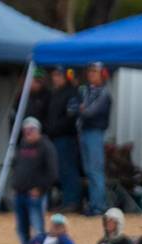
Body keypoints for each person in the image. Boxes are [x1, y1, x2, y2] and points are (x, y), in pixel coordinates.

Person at [9, 118, 58, 244]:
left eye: (31, 130)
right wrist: (14, 185)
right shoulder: (22, 145)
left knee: (38, 228)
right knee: (21, 228)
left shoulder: (46, 146)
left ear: (38, 130)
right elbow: (15, 166)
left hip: (35, 195)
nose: (28, 133)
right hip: (20, 193)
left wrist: (40, 189)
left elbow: (52, 172)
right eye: (25, 130)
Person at [72, 62, 112, 216]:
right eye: (90, 72)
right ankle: (93, 203)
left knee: (95, 170)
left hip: (95, 132)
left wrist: (81, 109)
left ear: (102, 74)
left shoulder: (104, 93)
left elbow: (90, 112)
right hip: (84, 131)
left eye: (94, 72)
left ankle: (99, 206)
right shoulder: (86, 91)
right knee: (88, 170)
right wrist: (80, 109)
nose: (91, 75)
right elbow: (74, 108)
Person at [43, 67, 80, 212]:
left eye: (58, 75)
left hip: (66, 138)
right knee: (57, 171)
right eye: (54, 75)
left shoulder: (72, 93)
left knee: (68, 170)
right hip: (54, 138)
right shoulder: (54, 94)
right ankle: (64, 202)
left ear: (65, 77)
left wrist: (54, 128)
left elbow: (70, 118)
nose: (55, 78)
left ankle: (72, 202)